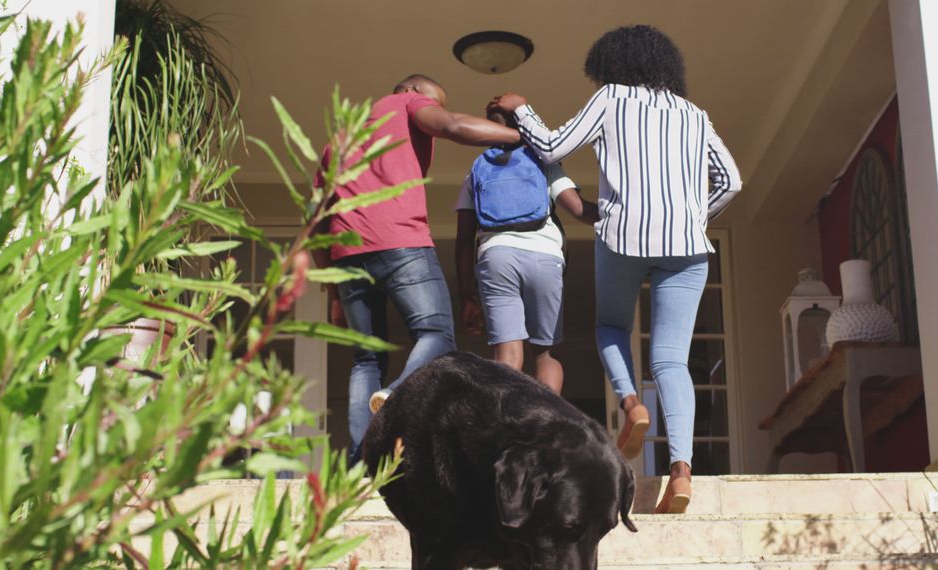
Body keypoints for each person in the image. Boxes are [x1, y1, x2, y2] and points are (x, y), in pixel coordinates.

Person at [493, 25, 742, 514]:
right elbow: (731, 180)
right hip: (688, 246)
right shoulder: (695, 114)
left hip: (624, 235)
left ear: (612, 65)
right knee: (671, 361)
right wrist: (692, 218)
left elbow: (551, 145)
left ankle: (632, 405)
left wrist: (521, 106)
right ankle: (682, 472)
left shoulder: (612, 98)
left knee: (611, 326)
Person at [312, 74, 521, 460]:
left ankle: (362, 463)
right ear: (412, 92)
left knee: (366, 358)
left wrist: (332, 292)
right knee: (437, 334)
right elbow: (455, 126)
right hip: (398, 240)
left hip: (346, 256)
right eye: (433, 103)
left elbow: (316, 219)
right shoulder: (404, 103)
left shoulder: (338, 141)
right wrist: (520, 137)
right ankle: (394, 396)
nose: (434, 110)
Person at [454, 109, 598, 394]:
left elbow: (463, 238)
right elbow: (579, 209)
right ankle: (545, 428)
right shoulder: (543, 161)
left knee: (507, 356)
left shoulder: (477, 168)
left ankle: (505, 427)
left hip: (496, 257)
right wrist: (622, 212)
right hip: (545, 257)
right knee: (544, 355)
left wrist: (466, 296)